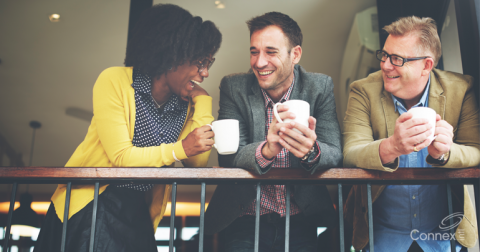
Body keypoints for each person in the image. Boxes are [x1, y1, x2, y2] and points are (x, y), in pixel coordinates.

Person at [33, 4, 221, 252]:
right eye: (199, 62)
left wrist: (204, 101)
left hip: (137, 209)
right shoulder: (115, 80)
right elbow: (121, 157)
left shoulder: (184, 104)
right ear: (173, 54)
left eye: (209, 62)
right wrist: (180, 149)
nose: (205, 72)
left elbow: (197, 162)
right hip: (95, 201)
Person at [204, 12, 342, 251]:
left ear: (295, 54)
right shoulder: (233, 86)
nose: (259, 62)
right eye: (254, 52)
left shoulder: (320, 86)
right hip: (245, 216)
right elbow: (229, 155)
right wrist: (266, 150)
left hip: (302, 217)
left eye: (271, 52)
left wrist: (311, 151)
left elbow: (335, 151)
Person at [343, 16, 480, 251]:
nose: (385, 65)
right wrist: (392, 146)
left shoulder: (461, 88)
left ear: (426, 65)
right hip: (381, 235)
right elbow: (350, 152)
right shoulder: (362, 90)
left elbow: (475, 150)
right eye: (384, 55)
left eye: (397, 59)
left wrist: (445, 153)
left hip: (442, 236)